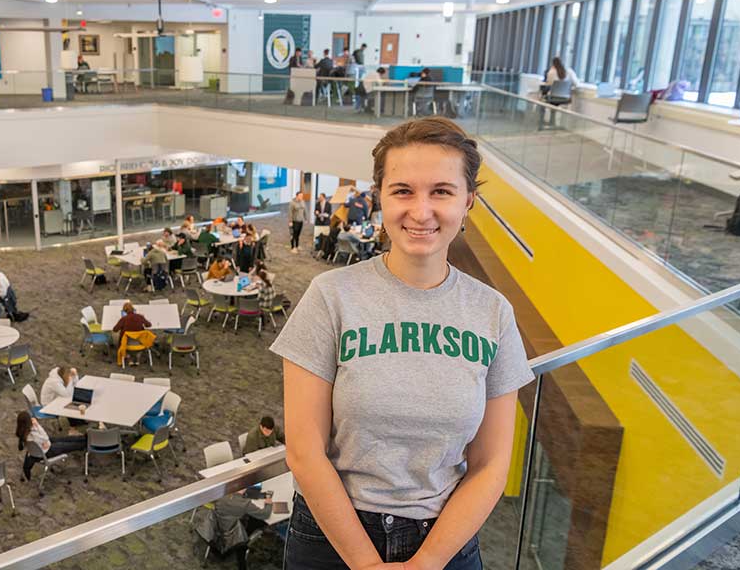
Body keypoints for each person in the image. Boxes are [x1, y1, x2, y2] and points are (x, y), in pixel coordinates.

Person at [270, 117, 534, 568]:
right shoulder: (330, 297)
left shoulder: (493, 314)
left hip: (446, 537)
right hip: (333, 535)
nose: (421, 210)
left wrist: (427, 562)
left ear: (469, 201)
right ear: (380, 197)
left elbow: (491, 464)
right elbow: (304, 451)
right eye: (403, 190)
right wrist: (367, 563)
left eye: (442, 191)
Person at [196, 489, 273, 570]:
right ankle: (242, 555)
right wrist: (268, 503)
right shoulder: (244, 503)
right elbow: (265, 514)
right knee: (259, 522)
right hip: (234, 534)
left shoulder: (221, 495)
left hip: (216, 527)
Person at [15, 411, 86, 481]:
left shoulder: (22, 433)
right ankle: (85, 442)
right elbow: (45, 437)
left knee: (63, 439)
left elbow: (44, 439)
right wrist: (37, 425)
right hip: (46, 451)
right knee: (68, 445)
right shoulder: (33, 435)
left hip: (41, 447)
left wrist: (44, 440)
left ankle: (83, 438)